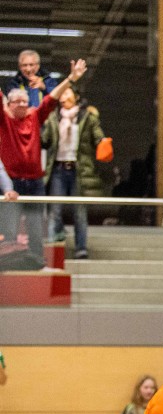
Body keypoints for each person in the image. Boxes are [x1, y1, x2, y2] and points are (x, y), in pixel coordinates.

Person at [1, 58, 85, 264]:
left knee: (36, 228)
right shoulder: (4, 120)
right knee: (8, 229)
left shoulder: (35, 117)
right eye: (17, 102)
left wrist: (71, 79)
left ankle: (37, 263)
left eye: (25, 102)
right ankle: (7, 266)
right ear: (9, 105)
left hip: (35, 182)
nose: (22, 105)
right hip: (11, 183)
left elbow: (52, 98)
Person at [41, 85, 105, 259]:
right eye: (62, 93)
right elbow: (44, 141)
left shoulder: (87, 117)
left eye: (68, 93)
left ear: (76, 96)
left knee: (80, 211)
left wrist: (104, 143)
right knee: (55, 210)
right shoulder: (53, 117)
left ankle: (81, 248)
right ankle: (53, 249)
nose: (65, 96)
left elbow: (98, 137)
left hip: (78, 169)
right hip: (58, 169)